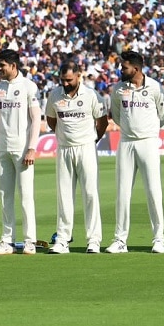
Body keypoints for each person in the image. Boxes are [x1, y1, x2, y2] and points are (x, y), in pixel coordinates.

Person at [106, 50, 164, 254]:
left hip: (148, 142)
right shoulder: (118, 89)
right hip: (126, 143)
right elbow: (116, 115)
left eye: (124, 67)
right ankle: (120, 240)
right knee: (123, 193)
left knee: (153, 192)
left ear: (136, 68)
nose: (120, 70)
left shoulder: (154, 87)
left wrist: (148, 130)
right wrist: (130, 129)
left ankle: (159, 239)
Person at [44, 61, 108, 254]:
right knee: (64, 195)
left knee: (90, 193)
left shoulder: (91, 95)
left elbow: (103, 121)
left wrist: (92, 139)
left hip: (86, 147)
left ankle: (94, 240)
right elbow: (51, 119)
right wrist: (64, 136)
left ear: (79, 75)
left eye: (69, 80)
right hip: (64, 149)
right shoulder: (54, 95)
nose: (65, 83)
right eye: (62, 80)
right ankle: (63, 239)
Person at [0, 50, 41, 256]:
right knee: (4, 196)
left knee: (26, 196)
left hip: (23, 148)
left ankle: (30, 241)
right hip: (3, 149)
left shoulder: (28, 86)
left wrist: (32, 148)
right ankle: (7, 241)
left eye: (2, 65)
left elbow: (36, 119)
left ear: (13, 66)